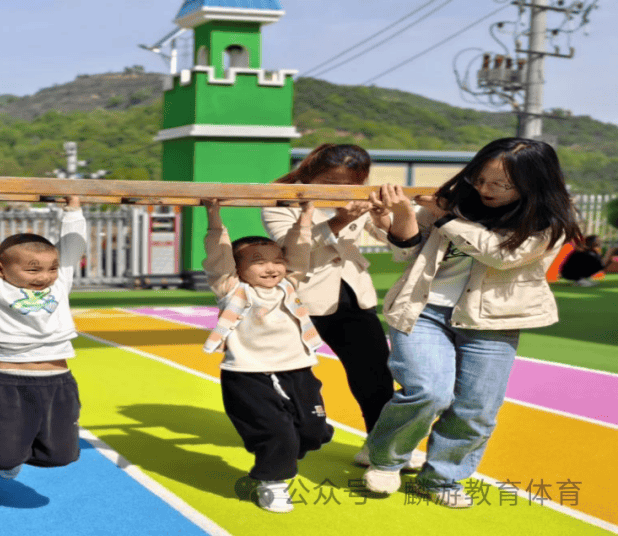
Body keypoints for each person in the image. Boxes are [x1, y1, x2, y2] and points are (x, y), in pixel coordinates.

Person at [362, 138, 582, 508]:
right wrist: (399, 214)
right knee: (428, 391)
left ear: (533, 184)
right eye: (480, 179)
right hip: (424, 309)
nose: (485, 189)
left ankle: (441, 478)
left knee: (477, 408)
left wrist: (447, 218)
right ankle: (385, 459)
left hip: (493, 320)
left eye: (500, 184)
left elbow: (500, 256)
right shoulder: (452, 200)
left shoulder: (549, 222)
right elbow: (407, 250)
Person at [261, 144, 424, 469]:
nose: (341, 187)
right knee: (292, 375)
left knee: (374, 374)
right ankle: (286, 435)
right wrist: (337, 222)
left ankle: (380, 446)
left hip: (353, 294)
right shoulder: (282, 199)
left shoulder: (359, 197)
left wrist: (385, 216)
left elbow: (395, 241)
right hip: (302, 297)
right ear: (312, 173)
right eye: (331, 180)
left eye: (351, 181)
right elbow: (288, 248)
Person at [201, 199, 334, 513]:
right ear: (238, 269)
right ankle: (272, 482)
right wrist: (214, 214)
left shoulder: (289, 285)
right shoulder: (231, 288)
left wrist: (305, 216)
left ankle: (286, 450)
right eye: (259, 262)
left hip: (297, 369)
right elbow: (219, 255)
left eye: (277, 260)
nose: (271, 268)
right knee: (276, 432)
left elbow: (299, 252)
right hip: (249, 374)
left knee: (314, 432)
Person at [0, 193, 85, 489]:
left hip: (58, 381)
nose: (44, 277)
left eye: (51, 268)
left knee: (61, 455)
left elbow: (72, 248)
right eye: (33, 269)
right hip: (9, 383)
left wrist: (74, 209)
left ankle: (10, 453)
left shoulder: (59, 284)